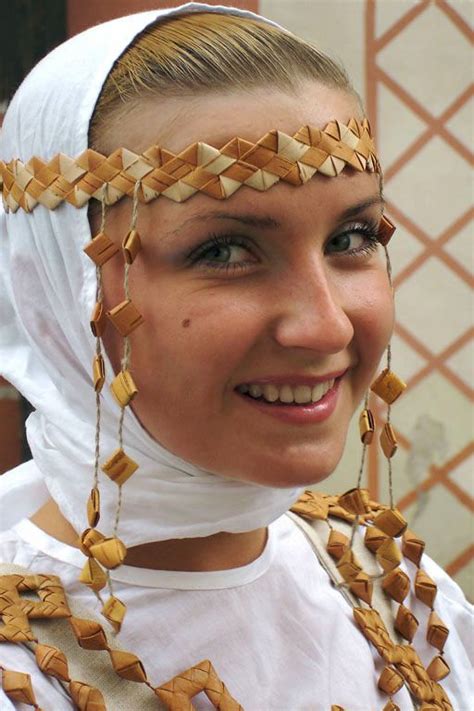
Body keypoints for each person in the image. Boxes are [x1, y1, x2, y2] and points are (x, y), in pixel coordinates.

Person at [0, 3, 471, 709]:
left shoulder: (395, 588)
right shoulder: (25, 666)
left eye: (351, 237)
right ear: (58, 285)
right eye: (222, 250)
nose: (325, 325)